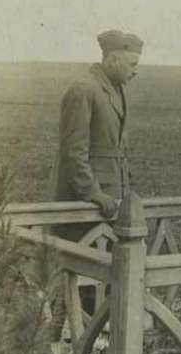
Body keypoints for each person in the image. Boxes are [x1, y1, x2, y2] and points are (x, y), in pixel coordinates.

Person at [50, 29, 144, 224]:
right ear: (111, 60)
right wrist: (93, 193)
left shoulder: (116, 89)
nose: (136, 71)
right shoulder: (84, 89)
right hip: (87, 202)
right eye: (132, 64)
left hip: (112, 198)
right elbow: (73, 152)